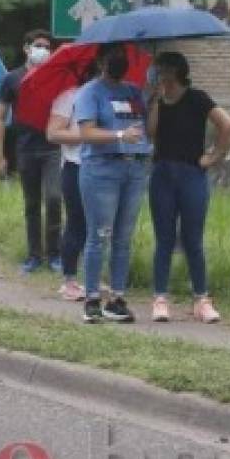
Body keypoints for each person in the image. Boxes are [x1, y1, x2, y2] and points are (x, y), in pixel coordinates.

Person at [147, 52, 230, 324]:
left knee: (192, 239)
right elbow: (152, 133)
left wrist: (214, 156)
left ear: (178, 70)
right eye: (158, 68)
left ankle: (202, 299)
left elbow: (227, 124)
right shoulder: (158, 100)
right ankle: (160, 298)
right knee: (163, 239)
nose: (161, 73)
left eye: (165, 68)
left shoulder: (197, 97)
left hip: (192, 174)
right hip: (162, 171)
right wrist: (156, 98)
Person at [74, 42, 152, 325]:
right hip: (102, 169)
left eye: (122, 57)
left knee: (123, 238)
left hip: (134, 168)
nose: (119, 61)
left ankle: (116, 299)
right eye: (112, 57)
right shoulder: (90, 92)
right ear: (100, 61)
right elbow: (87, 132)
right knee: (100, 235)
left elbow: (147, 127)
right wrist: (119, 136)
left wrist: (154, 97)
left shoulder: (133, 91)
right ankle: (92, 299)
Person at [0, 29, 61, 274]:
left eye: (47, 46)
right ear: (26, 48)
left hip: (54, 148)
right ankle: (34, 255)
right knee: (32, 204)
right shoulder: (12, 78)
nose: (43, 50)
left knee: (54, 198)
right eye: (38, 45)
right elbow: (0, 116)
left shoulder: (56, 77)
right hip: (25, 148)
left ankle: (55, 253)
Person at [46, 63, 97, 302]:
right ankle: (69, 279)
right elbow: (53, 133)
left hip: (104, 168)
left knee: (98, 226)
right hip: (76, 167)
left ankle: (92, 277)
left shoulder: (112, 98)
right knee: (77, 222)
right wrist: (86, 136)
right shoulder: (69, 98)